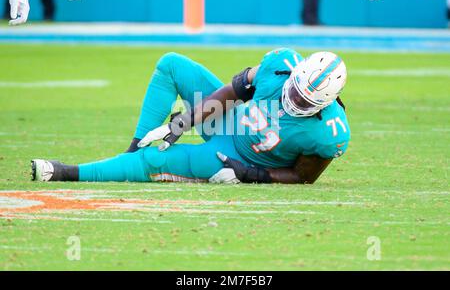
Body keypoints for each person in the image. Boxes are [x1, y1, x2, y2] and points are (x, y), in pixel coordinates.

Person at [31, 48, 350, 185]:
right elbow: (230, 93)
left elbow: (303, 176)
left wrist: (251, 175)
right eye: (294, 90)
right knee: (172, 64)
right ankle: (131, 150)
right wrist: (180, 123)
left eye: (304, 101)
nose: (293, 100)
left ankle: (64, 172)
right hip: (229, 118)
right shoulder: (280, 65)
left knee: (154, 162)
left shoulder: (329, 132)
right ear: (295, 73)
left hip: (235, 158)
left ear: (325, 103)